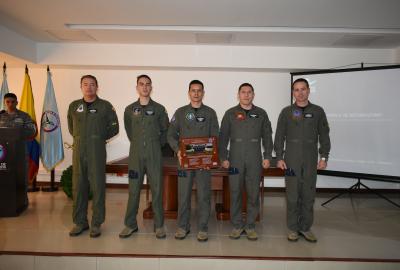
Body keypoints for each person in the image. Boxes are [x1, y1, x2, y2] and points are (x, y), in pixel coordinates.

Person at [274, 78, 330, 243]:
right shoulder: (286, 112)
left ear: (308, 91)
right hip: (291, 160)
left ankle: (305, 227)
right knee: (292, 195)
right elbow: (279, 136)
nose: (300, 92)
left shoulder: (318, 111)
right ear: (293, 93)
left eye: (303, 89)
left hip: (311, 160)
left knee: (308, 195)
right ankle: (292, 228)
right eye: (296, 90)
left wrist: (324, 157)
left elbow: (324, 136)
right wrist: (279, 157)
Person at [219, 83, 273, 240]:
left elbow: (267, 136)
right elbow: (223, 138)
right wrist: (223, 158)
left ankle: (250, 225)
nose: (246, 95)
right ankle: (237, 225)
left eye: (249, 92)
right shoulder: (230, 113)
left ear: (253, 95)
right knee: (235, 192)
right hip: (235, 158)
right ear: (238, 95)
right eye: (243, 92)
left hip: (255, 158)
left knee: (253, 193)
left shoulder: (261, 113)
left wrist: (268, 156)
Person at [67, 75, 119, 238]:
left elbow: (114, 127)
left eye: (92, 85)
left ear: (97, 87)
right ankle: (80, 222)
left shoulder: (105, 106)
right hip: (79, 150)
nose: (89, 87)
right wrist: (81, 138)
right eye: (85, 84)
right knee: (78, 186)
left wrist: (98, 137)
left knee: (97, 186)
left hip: (96, 149)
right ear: (81, 87)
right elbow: (71, 126)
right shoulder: (74, 106)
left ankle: (96, 223)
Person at [167, 80, 219, 242]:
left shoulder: (210, 113)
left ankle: (203, 228)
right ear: (188, 93)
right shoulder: (181, 113)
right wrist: (178, 150)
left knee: (204, 195)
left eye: (199, 91)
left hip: (203, 161)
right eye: (193, 90)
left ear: (203, 93)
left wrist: (209, 156)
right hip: (185, 161)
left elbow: (215, 136)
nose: (196, 93)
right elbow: (170, 135)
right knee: (183, 195)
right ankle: (183, 227)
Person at [119, 74, 169, 239]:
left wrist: (155, 144)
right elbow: (129, 130)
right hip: (136, 154)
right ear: (137, 87)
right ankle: (130, 224)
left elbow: (165, 131)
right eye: (141, 84)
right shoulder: (129, 109)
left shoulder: (159, 109)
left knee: (157, 189)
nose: (145, 87)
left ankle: (159, 225)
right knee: (133, 189)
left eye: (148, 84)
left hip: (154, 153)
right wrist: (140, 143)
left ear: (151, 87)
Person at [0, 92, 37, 209]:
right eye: (7, 102)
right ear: (4, 102)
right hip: (4, 153)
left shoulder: (24, 116)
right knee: (4, 175)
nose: (10, 104)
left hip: (20, 152)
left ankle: (22, 200)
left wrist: (16, 133)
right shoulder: (0, 116)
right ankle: (5, 200)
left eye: (12, 101)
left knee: (21, 176)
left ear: (17, 102)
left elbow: (32, 131)